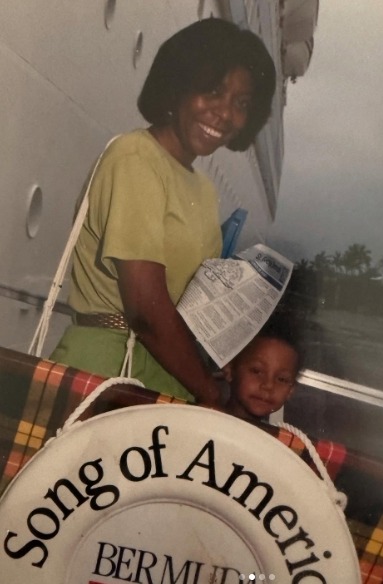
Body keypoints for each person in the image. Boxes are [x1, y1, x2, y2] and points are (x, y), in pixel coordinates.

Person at [50, 19, 276, 406]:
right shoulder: (135, 157)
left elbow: (184, 301)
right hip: (107, 369)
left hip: (166, 375)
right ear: (179, 86)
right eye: (213, 91)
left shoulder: (204, 190)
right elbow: (146, 310)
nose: (224, 113)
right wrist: (207, 391)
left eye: (240, 104)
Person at [222, 320, 302, 423]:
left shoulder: (273, 438)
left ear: (291, 390)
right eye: (256, 371)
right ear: (229, 369)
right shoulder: (203, 421)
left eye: (282, 379)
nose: (268, 385)